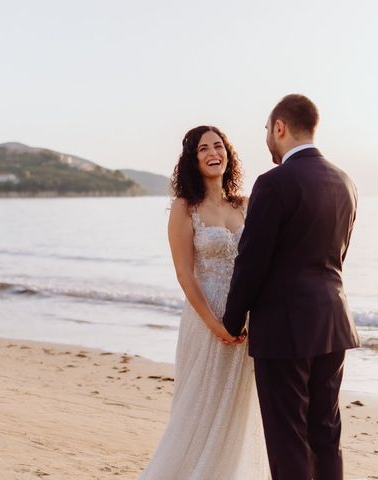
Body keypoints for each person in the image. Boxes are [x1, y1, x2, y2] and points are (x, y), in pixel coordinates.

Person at [222, 94, 361, 480]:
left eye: (268, 129)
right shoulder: (345, 182)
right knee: (325, 434)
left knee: (288, 439)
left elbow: (251, 262)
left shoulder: (273, 183)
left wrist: (232, 321)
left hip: (284, 329)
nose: (267, 137)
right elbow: (337, 256)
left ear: (280, 127)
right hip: (333, 322)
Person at [138, 126, 270, 479]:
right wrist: (215, 324)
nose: (214, 153)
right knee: (199, 404)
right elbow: (185, 275)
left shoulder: (244, 204)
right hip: (205, 317)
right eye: (204, 149)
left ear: (228, 153)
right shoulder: (184, 208)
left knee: (236, 408)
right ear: (192, 160)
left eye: (219, 146)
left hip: (244, 319)